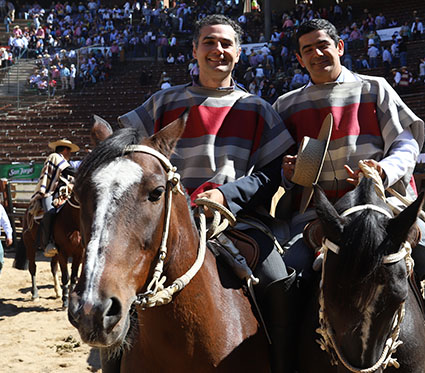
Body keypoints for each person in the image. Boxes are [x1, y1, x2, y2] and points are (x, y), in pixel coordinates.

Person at [273, 19, 425, 372]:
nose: (316, 54)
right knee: (284, 277)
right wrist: (289, 169)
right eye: (307, 50)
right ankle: (283, 364)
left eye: (322, 45)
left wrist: (383, 171)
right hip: (318, 216)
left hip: (383, 206)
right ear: (299, 59)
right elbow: (284, 164)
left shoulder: (375, 89)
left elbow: (406, 142)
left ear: (340, 47)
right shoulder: (286, 105)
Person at [118, 15, 295, 373]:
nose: (218, 50)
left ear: (239, 53)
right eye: (210, 43)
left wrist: (227, 196)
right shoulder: (162, 103)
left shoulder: (258, 108)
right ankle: (113, 361)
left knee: (279, 282)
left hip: (237, 221)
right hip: (166, 223)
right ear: (195, 50)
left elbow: (274, 174)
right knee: (116, 284)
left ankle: (282, 364)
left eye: (226, 43)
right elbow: (128, 153)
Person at [32, 139, 79, 258]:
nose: (70, 154)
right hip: (49, 192)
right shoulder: (55, 156)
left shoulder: (64, 161)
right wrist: (83, 173)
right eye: (69, 151)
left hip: (63, 193)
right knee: (50, 212)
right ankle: (48, 242)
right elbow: (69, 171)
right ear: (64, 150)